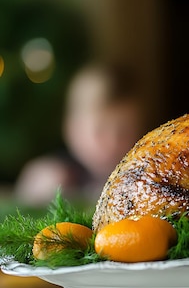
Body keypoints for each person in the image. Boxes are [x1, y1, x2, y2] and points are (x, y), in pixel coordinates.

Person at [15, 62, 143, 206]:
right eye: (100, 130)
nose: (112, 143)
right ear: (73, 128)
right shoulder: (55, 175)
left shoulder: (138, 179)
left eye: (123, 131)